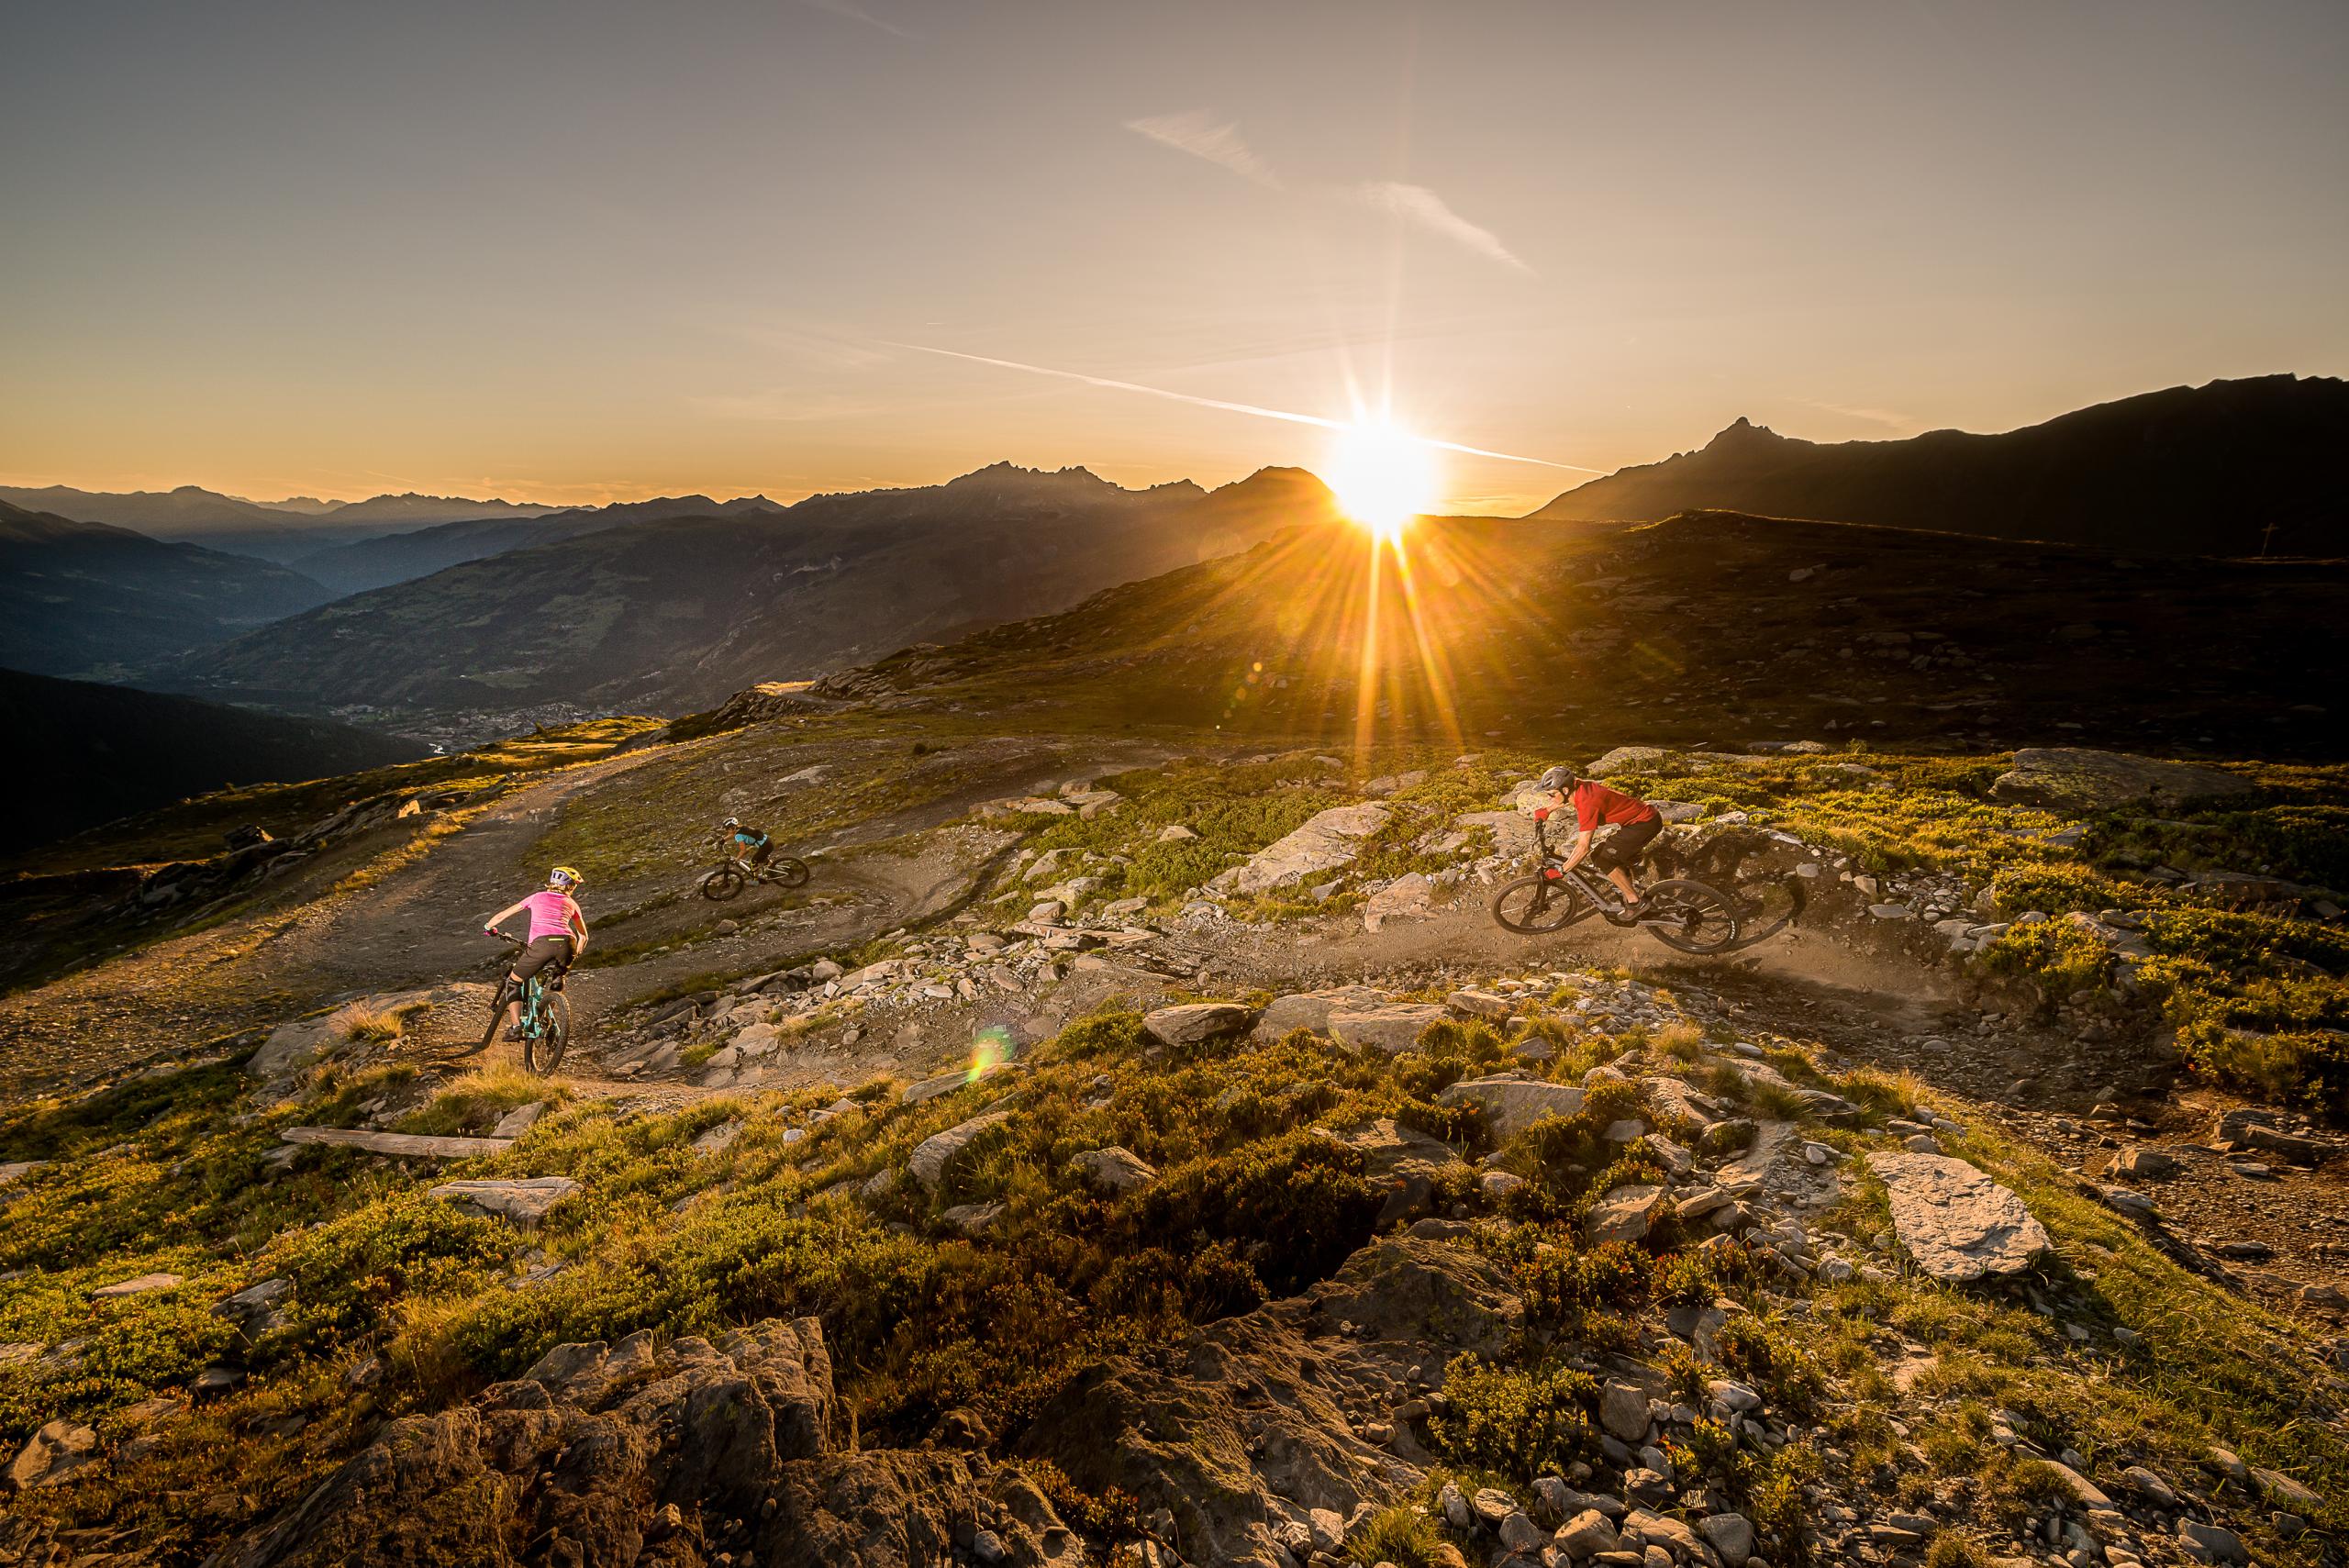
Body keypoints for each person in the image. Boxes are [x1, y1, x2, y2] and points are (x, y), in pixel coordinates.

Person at [1530, 763, 1663, 913]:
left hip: (1644, 824)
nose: (1550, 797)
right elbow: (1569, 799)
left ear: (1565, 790)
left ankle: (1635, 903)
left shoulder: (1587, 804)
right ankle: (1625, 881)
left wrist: (1561, 871)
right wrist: (1547, 810)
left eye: (1551, 794)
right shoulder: (1578, 786)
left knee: (1602, 858)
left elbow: (1583, 847)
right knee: (1603, 853)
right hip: (1642, 819)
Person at [484, 866, 589, 1038]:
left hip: (542, 944)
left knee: (514, 981)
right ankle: (556, 984)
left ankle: (516, 1028)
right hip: (568, 943)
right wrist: (574, 954)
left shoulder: (536, 897)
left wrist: (489, 927)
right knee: (558, 975)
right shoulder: (572, 904)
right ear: (569, 886)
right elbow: (583, 936)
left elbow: (503, 914)